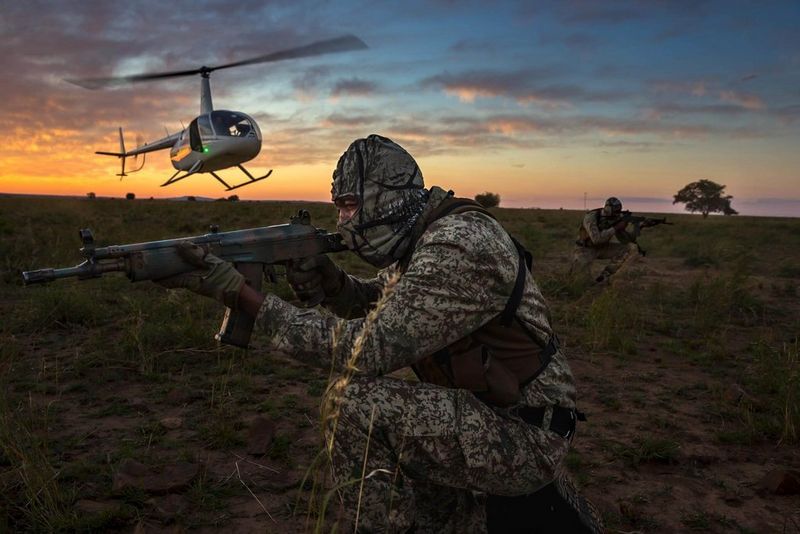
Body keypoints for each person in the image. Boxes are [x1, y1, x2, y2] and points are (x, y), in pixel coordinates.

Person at [158, 134, 602, 533]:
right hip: (491, 411)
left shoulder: (458, 245)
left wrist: (244, 298)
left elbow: (364, 351)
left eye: (349, 205)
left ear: (384, 199)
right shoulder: (428, 235)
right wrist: (332, 283)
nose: (343, 220)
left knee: (352, 404)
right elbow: (387, 303)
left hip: (523, 434)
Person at [570, 197, 640, 284]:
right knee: (579, 281)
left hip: (603, 247)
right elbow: (596, 239)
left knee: (628, 250)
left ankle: (605, 276)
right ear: (607, 208)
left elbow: (624, 240)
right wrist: (616, 228)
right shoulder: (591, 217)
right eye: (615, 211)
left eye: (618, 211)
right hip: (585, 249)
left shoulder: (615, 218)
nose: (617, 214)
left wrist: (630, 229)